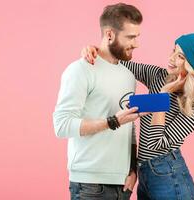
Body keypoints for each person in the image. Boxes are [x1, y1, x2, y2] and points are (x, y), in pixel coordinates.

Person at [82, 30, 194, 199]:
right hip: (145, 175)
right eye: (173, 51)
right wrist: (96, 50)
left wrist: (162, 96)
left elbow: (155, 143)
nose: (171, 59)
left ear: (192, 65)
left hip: (170, 176)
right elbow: (118, 63)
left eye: (180, 56)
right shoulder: (158, 76)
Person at [53, 3, 146, 200]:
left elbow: (129, 125)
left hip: (123, 185)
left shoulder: (128, 75)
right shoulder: (81, 70)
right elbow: (61, 125)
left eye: (137, 36)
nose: (136, 43)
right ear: (110, 35)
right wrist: (112, 121)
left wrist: (132, 169)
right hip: (90, 185)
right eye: (130, 37)